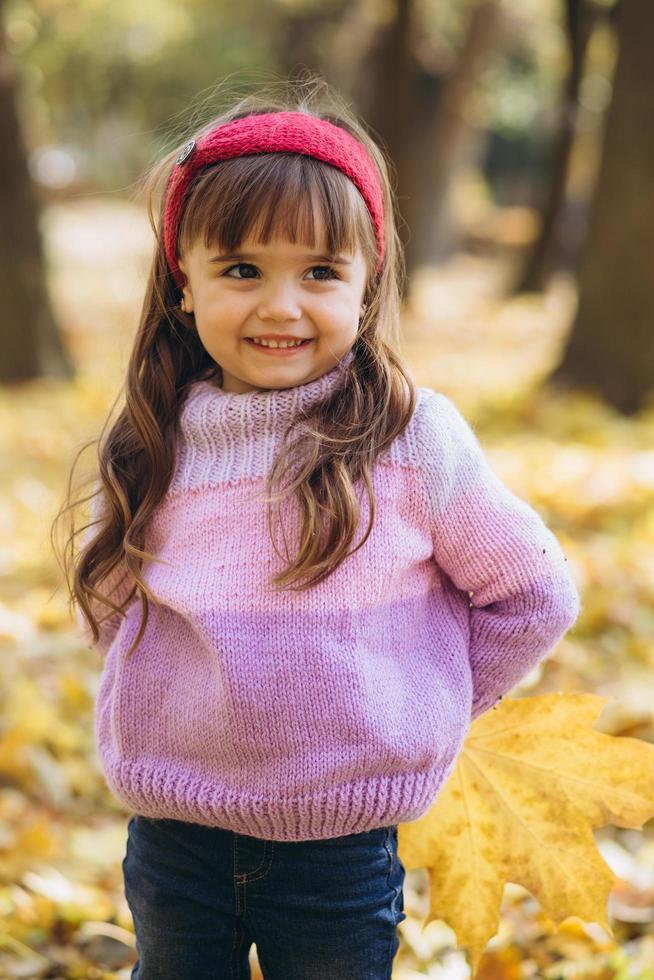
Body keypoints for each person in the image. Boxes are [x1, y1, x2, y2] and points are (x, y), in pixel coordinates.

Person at [66, 76, 581, 980]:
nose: (280, 306)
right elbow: (115, 608)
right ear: (182, 282)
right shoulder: (155, 440)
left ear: (366, 281)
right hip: (176, 836)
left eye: (319, 272)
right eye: (240, 270)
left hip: (340, 847)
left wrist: (429, 708)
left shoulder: (410, 438)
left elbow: (532, 593)